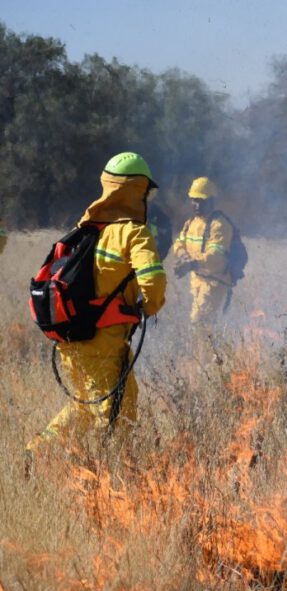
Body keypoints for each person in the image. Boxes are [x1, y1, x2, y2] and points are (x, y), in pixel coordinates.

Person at [28, 152, 167, 453]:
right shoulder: (134, 232)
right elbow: (153, 281)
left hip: (71, 337)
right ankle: (110, 474)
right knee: (117, 414)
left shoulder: (85, 227)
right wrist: (150, 307)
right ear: (137, 191)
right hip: (103, 344)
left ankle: (38, 452)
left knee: (83, 408)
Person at [172, 177, 234, 325]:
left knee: (198, 322)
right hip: (197, 280)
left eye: (201, 200)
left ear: (212, 201)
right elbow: (179, 243)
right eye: (194, 200)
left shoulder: (219, 225)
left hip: (215, 282)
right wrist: (184, 256)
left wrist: (192, 264)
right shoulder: (191, 223)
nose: (196, 204)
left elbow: (216, 257)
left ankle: (207, 348)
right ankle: (209, 348)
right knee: (204, 325)